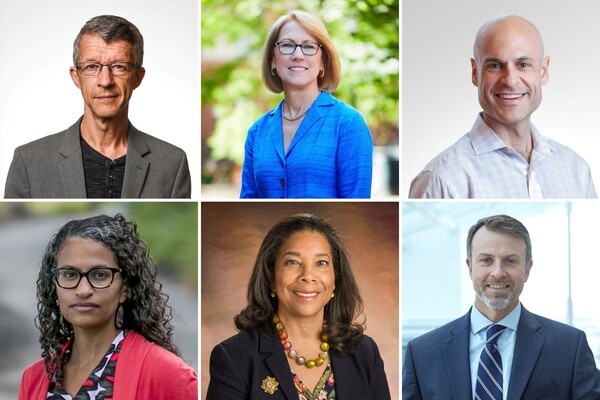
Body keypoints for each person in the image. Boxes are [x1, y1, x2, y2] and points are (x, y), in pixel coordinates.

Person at [403, 214, 600, 399]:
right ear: (470, 267)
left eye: (510, 261)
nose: (498, 272)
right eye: (486, 260)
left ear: (527, 270)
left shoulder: (570, 347)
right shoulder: (421, 353)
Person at [409, 15, 596, 199]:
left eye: (523, 64)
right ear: (475, 73)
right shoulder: (442, 180)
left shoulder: (577, 170)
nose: (510, 80)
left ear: (543, 71)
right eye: (495, 65)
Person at [5, 15, 191, 198]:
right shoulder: (29, 161)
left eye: (119, 66)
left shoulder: (172, 163)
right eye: (92, 66)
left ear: (138, 77)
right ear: (76, 76)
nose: (105, 81)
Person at [207, 213, 390, 399]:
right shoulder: (234, 357)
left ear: (335, 278)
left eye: (321, 263)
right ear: (271, 277)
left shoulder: (365, 353)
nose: (308, 275)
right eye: (293, 262)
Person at [18, 214, 197, 399]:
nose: (83, 290)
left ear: (124, 289)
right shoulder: (33, 378)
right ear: (54, 286)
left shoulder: (170, 376)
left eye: (100, 275)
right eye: (70, 274)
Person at [240, 10, 372, 198]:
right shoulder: (257, 132)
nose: (298, 55)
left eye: (309, 47)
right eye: (287, 45)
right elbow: (248, 204)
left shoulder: (348, 124)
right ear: (272, 60)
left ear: (323, 62)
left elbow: (356, 203)